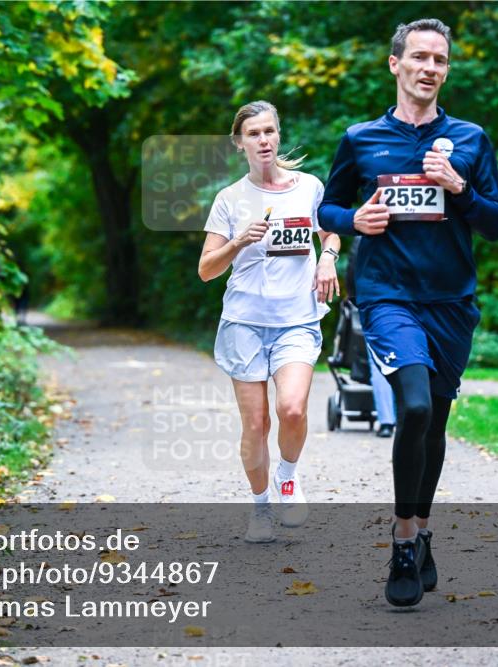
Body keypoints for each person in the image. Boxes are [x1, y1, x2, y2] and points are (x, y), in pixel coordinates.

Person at [318, 19, 498, 606]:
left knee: (437, 422)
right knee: (415, 406)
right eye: (419, 57)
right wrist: (355, 222)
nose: (430, 68)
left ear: (446, 70)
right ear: (395, 64)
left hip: (451, 302)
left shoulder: (470, 139)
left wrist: (461, 189)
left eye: (440, 60)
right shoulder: (361, 138)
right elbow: (328, 206)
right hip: (387, 295)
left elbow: (495, 223)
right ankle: (402, 540)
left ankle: (423, 531)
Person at [199, 100, 340, 543]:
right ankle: (260, 508)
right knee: (256, 424)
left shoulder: (309, 188)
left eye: (269, 131)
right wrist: (239, 242)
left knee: (292, 408)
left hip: (297, 318)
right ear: (239, 143)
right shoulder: (230, 199)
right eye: (254, 134)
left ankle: (288, 476)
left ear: (278, 135)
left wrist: (328, 260)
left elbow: (332, 230)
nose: (263, 140)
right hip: (244, 322)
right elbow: (206, 269)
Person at [346, 236, 396, 437]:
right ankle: (407, 417)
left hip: (375, 305)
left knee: (378, 362)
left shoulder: (363, 233)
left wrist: (356, 301)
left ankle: (386, 421)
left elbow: (352, 270)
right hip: (411, 304)